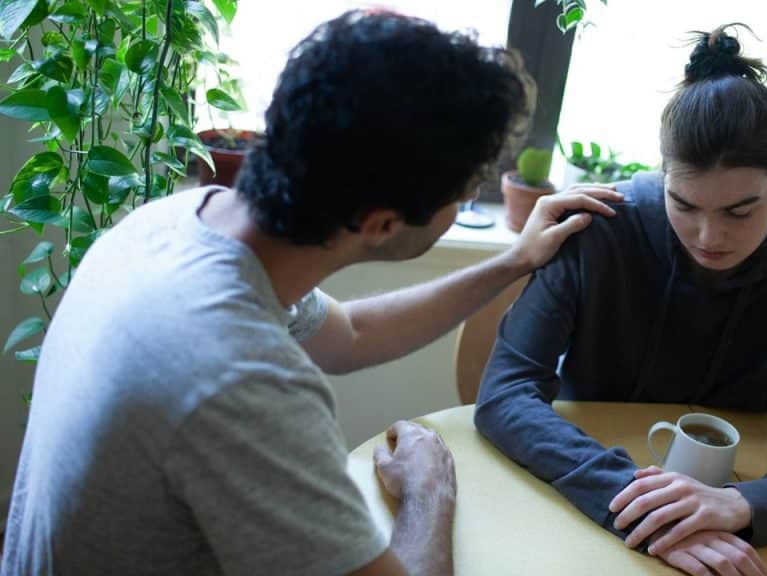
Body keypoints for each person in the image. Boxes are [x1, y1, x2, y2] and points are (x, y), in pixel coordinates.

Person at [1, 10, 622, 576]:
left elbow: (351, 332)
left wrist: (512, 261)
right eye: (463, 196)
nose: (463, 205)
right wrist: (429, 489)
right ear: (382, 222)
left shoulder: (184, 222)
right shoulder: (241, 382)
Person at [474, 24, 767, 576]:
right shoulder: (601, 230)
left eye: (740, 211)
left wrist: (742, 504)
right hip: (581, 501)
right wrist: (638, 503)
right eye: (684, 203)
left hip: (727, 517)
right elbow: (505, 394)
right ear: (662, 174)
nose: (707, 236)